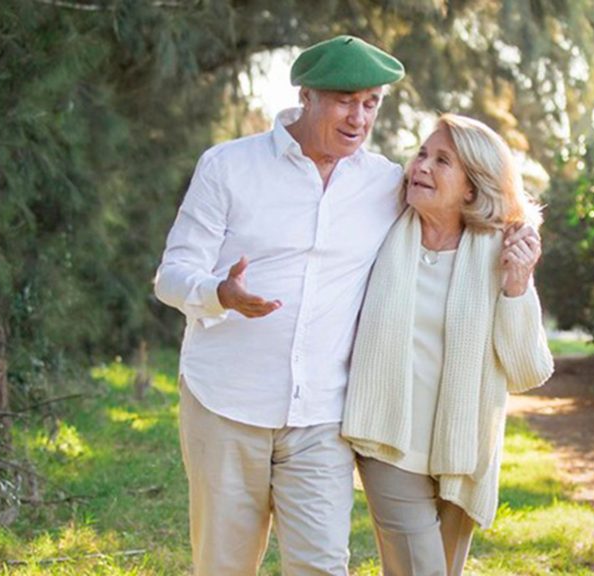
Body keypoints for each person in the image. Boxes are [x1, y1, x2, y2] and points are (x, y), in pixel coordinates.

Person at [153, 35, 405, 575]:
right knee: (224, 566)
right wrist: (220, 294)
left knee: (323, 566)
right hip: (226, 403)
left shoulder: (386, 183)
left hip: (321, 416)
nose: (359, 118)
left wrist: (515, 238)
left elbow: (454, 213)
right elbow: (171, 275)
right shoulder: (228, 166)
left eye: (371, 103)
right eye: (345, 101)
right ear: (306, 96)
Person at [341, 114, 555, 575]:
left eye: (442, 161)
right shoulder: (382, 229)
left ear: (472, 189)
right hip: (388, 440)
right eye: (422, 154)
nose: (421, 166)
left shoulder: (499, 253)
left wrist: (517, 285)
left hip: (462, 451)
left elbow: (527, 370)